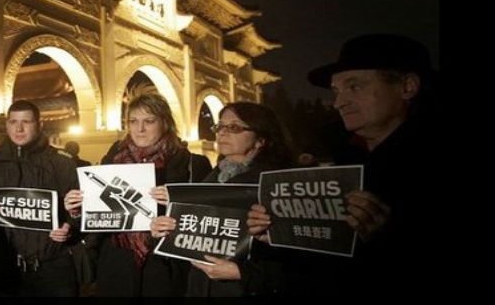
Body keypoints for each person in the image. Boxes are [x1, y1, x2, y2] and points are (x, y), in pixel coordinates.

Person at [248, 34, 437, 295]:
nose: (338, 102)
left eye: (354, 87)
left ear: (407, 87)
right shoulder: (343, 159)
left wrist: (388, 236)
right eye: (336, 91)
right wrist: (277, 236)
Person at [65, 92, 212, 296]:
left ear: (165, 122)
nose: (140, 129)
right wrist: (78, 209)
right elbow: (97, 220)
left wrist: (177, 203)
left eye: (149, 121)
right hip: (116, 262)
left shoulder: (193, 164)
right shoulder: (112, 159)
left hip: (165, 264)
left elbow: (207, 221)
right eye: (133, 121)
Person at [150, 102, 294, 297]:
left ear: (260, 139)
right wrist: (168, 230)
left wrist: (242, 273)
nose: (222, 133)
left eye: (234, 127)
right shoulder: (212, 178)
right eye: (220, 126)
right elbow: (197, 235)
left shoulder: (278, 185)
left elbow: (302, 263)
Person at [0, 100, 79, 296]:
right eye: (13, 122)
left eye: (26, 122)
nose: (19, 129)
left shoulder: (62, 164)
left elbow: (80, 212)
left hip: (53, 267)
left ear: (39, 125)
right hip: (7, 268)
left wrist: (70, 227)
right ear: (7, 125)